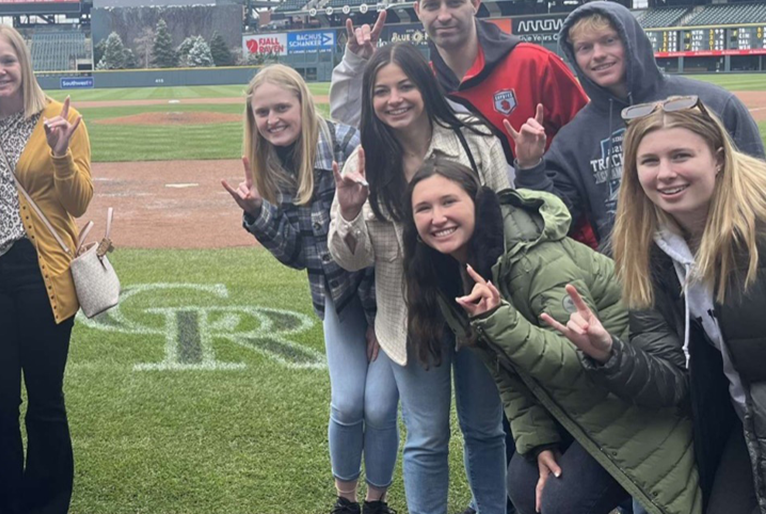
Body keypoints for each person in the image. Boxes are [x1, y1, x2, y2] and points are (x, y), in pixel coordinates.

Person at [401, 157, 700, 514]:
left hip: (636, 399)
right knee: (525, 484)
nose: (438, 217)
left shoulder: (534, 257)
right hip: (582, 402)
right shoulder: (451, 273)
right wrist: (539, 441)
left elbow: (578, 357)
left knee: (560, 502)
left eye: (449, 202)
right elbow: (505, 372)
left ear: (477, 203)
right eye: (423, 208)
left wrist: (500, 320)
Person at [551, 96, 766, 513]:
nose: (665, 174)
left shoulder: (758, 226)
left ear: (718, 158)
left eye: (681, 155)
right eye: (649, 161)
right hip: (733, 420)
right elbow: (671, 380)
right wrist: (608, 352)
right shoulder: (646, 251)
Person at [328, 42, 512, 514]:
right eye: (382, 90)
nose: (395, 99)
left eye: (405, 86)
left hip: (480, 307)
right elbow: (352, 259)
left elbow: (506, 218)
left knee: (485, 429)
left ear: (425, 85)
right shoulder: (366, 158)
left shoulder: (473, 138)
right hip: (411, 314)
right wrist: (348, 215)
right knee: (427, 436)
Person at [221, 64, 396, 514]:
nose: (273, 119)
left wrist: (380, 319)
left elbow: (383, 238)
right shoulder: (271, 163)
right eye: (262, 112)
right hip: (336, 295)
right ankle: (346, 502)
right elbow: (298, 253)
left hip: (388, 295)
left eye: (282, 107)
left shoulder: (347, 144)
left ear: (303, 102)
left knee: (377, 407)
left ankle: (377, 503)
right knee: (346, 402)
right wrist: (259, 212)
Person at [509, 1, 765, 249]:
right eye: (585, 48)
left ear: (631, 41)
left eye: (609, 40)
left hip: (725, 258)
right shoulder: (574, 138)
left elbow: (756, 188)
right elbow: (559, 216)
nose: (598, 55)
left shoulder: (714, 103)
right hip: (635, 274)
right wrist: (530, 166)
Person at [0, 23, 92, 514]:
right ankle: (3, 501)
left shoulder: (63, 118)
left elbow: (78, 201)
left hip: (45, 277)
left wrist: (60, 155)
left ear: (24, 64)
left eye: (6, 61)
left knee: (44, 401)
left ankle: (47, 502)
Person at [329, 0, 588, 163]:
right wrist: (355, 64)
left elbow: (591, 134)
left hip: (554, 217)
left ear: (475, 3)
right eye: (432, 5)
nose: (443, 16)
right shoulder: (423, 85)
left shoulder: (534, 64)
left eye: (454, 2)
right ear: (418, 11)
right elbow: (352, 128)